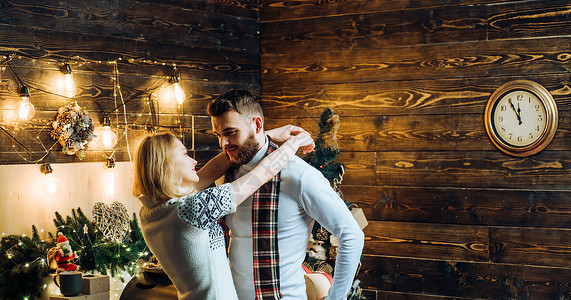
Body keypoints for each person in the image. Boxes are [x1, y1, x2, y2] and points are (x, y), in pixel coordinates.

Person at [208, 90, 364, 300]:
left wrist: (336, 298)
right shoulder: (228, 171)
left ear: (257, 125)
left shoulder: (298, 175)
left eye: (230, 132)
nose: (223, 144)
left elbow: (352, 235)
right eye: (218, 135)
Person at [132, 127, 314, 300]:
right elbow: (260, 175)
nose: (193, 161)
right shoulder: (190, 209)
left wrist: (266, 135)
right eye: (185, 154)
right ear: (166, 164)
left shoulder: (151, 211)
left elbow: (214, 168)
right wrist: (294, 143)